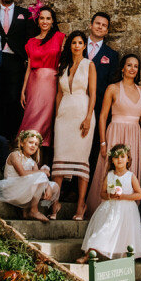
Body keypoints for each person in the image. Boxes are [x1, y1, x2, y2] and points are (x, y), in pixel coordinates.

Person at [87, 53, 141, 216]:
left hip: (134, 135)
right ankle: (103, 213)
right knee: (109, 171)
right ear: (122, 68)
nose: (132, 69)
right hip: (116, 131)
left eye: (136, 66)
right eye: (129, 65)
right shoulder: (113, 88)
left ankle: (127, 214)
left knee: (130, 173)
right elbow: (102, 116)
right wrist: (103, 142)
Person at [50, 30, 95, 219]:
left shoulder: (89, 65)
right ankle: (55, 204)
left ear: (85, 46)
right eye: (74, 43)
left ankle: (80, 206)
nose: (76, 45)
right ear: (70, 45)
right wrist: (56, 119)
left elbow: (92, 94)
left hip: (82, 112)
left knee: (81, 161)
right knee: (59, 160)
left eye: (80, 43)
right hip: (64, 116)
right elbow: (59, 94)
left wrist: (87, 118)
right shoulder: (63, 65)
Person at [78, 144, 141, 262]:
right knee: (105, 229)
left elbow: (139, 194)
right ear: (112, 160)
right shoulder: (109, 175)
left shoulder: (130, 176)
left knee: (125, 234)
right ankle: (88, 255)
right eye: (116, 157)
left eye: (122, 156)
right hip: (111, 208)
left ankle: (124, 258)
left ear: (128, 159)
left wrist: (123, 196)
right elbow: (102, 194)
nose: (119, 160)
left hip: (127, 210)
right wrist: (110, 196)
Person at [0, 0, 34, 141]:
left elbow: (31, 37)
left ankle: (12, 136)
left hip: (17, 60)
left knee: (14, 98)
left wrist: (28, 58)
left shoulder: (25, 13)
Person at [0, 130, 59, 222]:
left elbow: (39, 179)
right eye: (30, 142)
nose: (33, 146)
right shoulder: (15, 155)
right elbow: (22, 173)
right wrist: (42, 172)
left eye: (36, 144)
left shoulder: (33, 162)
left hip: (23, 190)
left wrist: (47, 187)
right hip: (11, 189)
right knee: (40, 174)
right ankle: (34, 211)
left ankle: (26, 210)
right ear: (22, 143)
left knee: (54, 186)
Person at [18, 6, 63, 144]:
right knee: (31, 115)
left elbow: (63, 63)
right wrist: (23, 90)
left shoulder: (60, 38)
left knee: (45, 117)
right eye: (42, 18)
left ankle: (42, 149)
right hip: (34, 83)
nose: (45, 21)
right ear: (37, 21)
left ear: (53, 21)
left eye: (48, 18)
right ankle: (25, 144)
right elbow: (29, 67)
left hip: (51, 83)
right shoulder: (31, 42)